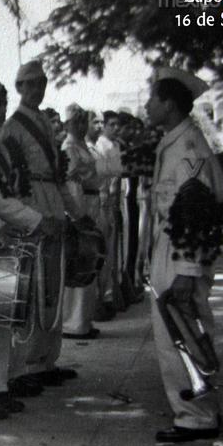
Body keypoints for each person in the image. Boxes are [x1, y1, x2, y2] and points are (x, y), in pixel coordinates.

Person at [144, 67, 223, 443]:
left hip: (181, 251)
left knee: (183, 330)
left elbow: (198, 210)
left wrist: (187, 270)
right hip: (171, 245)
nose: (148, 105)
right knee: (175, 331)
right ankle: (196, 410)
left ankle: (196, 416)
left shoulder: (189, 147)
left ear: (170, 104)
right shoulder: (174, 141)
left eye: (153, 98)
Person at [0, 76, 60, 415]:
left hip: (5, 234)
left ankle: (0, 385)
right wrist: (30, 221)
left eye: (4, 101)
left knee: (2, 317)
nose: (1, 108)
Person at [0, 60, 81, 395]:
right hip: (32, 205)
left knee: (55, 284)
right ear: (19, 88)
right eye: (30, 84)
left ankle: (48, 359)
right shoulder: (13, 126)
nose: (37, 89)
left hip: (53, 202)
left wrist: (76, 212)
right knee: (35, 286)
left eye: (41, 83)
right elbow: (13, 180)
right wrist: (31, 216)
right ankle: (29, 364)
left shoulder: (46, 123)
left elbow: (58, 174)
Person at [60, 104, 102, 340]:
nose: (81, 126)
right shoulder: (68, 147)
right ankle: (73, 322)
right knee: (80, 258)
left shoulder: (82, 145)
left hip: (92, 200)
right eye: (76, 122)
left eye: (83, 121)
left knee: (91, 257)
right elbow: (70, 180)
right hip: (80, 200)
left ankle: (84, 319)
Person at [93, 110, 125, 319]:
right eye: (111, 124)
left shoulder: (115, 146)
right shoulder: (101, 147)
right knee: (104, 252)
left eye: (117, 125)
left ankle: (109, 296)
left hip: (115, 199)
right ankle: (101, 299)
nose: (115, 128)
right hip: (104, 200)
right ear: (104, 126)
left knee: (113, 252)